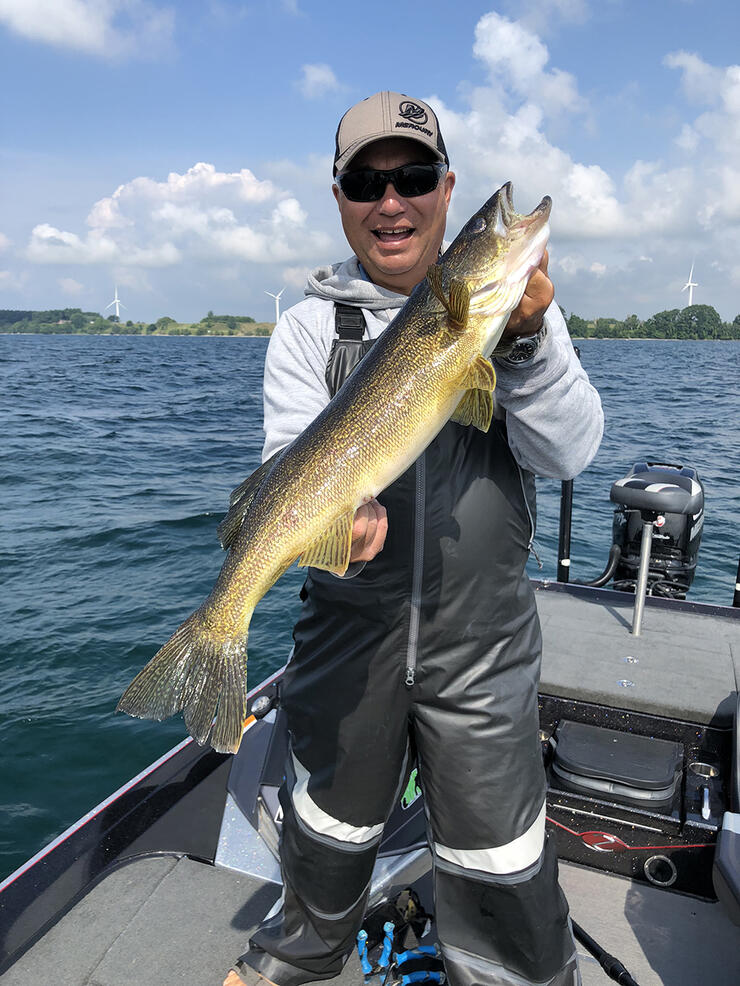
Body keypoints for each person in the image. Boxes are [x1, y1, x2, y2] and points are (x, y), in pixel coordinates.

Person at [225, 91, 603, 986]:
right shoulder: (310, 327)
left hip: (483, 643)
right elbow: (290, 460)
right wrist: (331, 528)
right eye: (366, 181)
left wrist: (527, 341)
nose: (390, 200)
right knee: (327, 826)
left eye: (414, 176)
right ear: (340, 196)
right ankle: (297, 957)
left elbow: (571, 450)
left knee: (502, 856)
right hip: (346, 636)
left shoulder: (516, 317)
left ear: (446, 189)